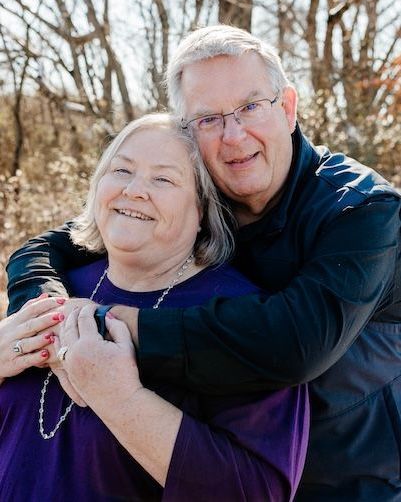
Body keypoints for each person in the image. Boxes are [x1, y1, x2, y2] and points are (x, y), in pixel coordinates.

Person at [6, 25, 401, 501]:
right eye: (208, 118)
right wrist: (43, 318)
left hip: (353, 478)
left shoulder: (360, 210)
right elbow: (57, 243)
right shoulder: (201, 193)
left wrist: (105, 325)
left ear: (289, 108)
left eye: (252, 106)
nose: (234, 135)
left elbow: (296, 343)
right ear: (188, 134)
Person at [0, 113, 309, 501]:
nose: (134, 190)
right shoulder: (55, 290)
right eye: (122, 170)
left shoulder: (240, 317)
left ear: (202, 209)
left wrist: (121, 400)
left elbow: (258, 492)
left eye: (163, 178)